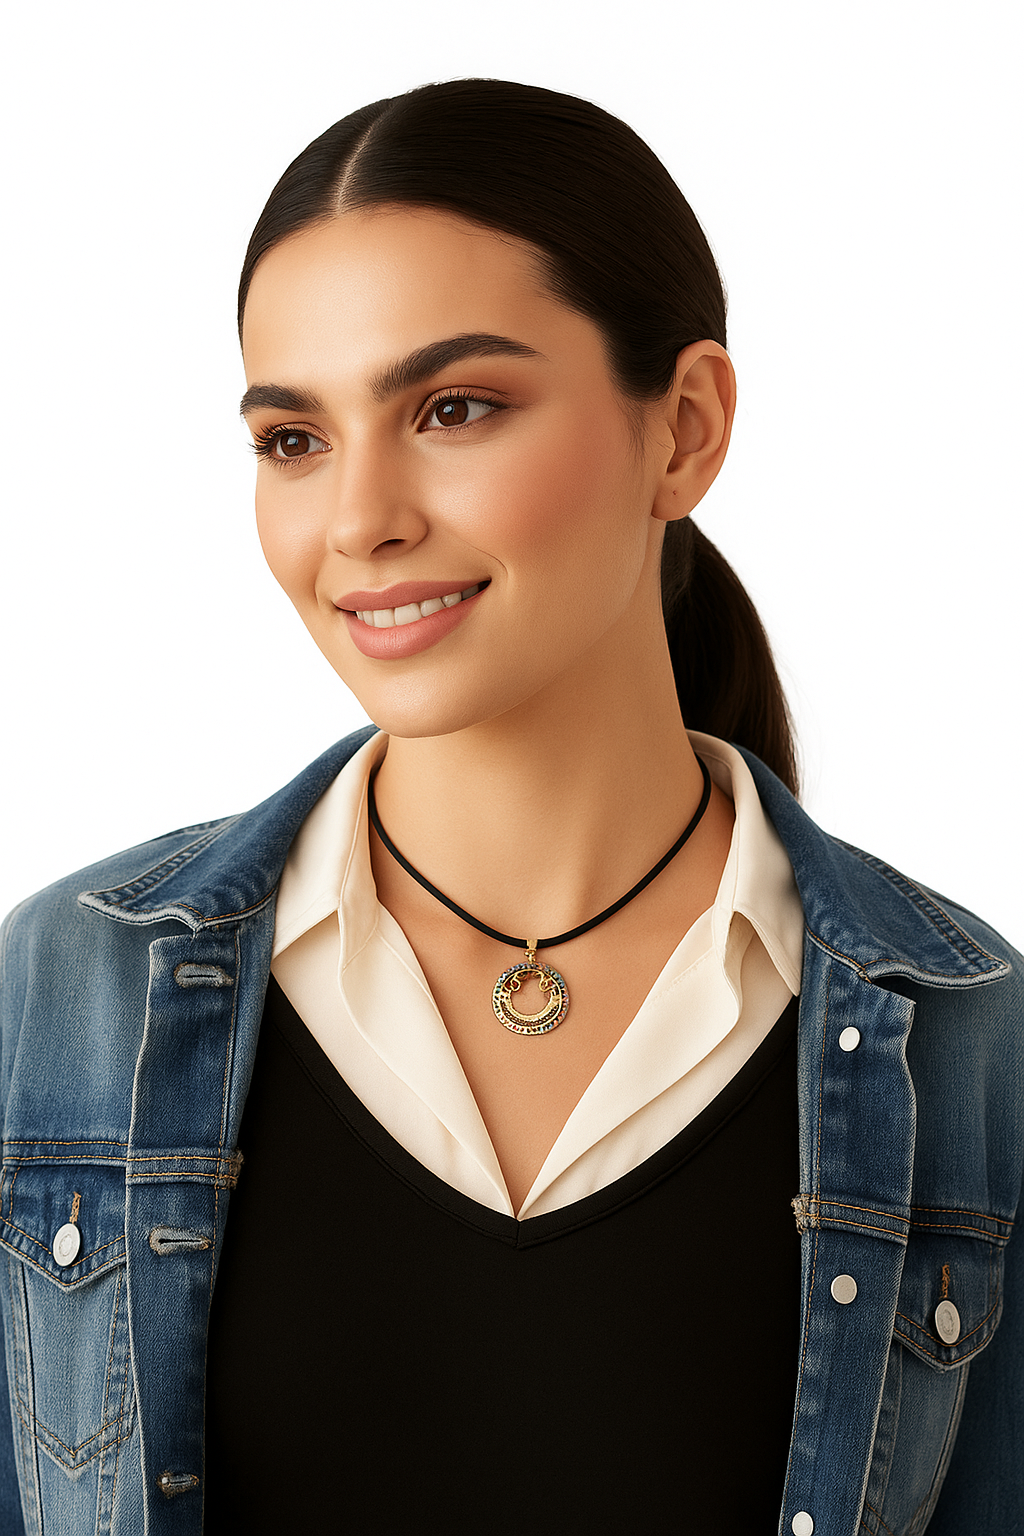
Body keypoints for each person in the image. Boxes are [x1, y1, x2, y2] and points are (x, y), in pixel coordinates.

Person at [0, 79, 1019, 1536]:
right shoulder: (63, 997)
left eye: (454, 408)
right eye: (294, 439)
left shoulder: (975, 1046)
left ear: (683, 430)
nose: (359, 520)